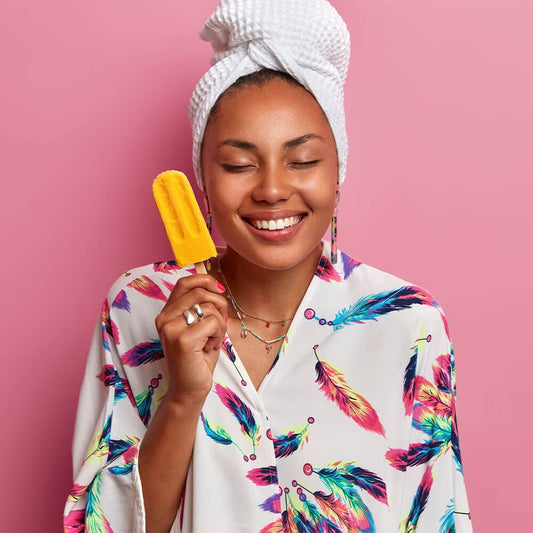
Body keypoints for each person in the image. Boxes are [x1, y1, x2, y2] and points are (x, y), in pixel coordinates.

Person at [64, 1, 472, 531]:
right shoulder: (138, 305)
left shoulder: (408, 322)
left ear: (337, 172)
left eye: (302, 161)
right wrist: (183, 399)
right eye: (238, 164)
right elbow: (104, 526)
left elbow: (437, 515)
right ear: (203, 179)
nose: (273, 189)